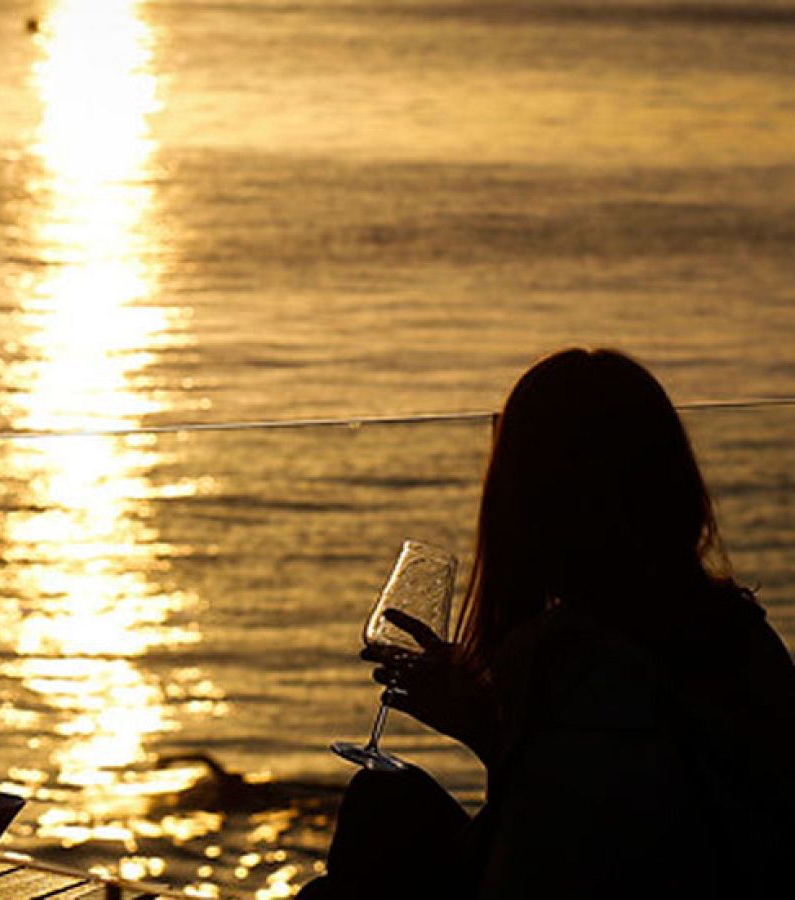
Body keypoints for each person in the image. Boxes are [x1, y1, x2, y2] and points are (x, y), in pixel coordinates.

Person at [301, 348, 795, 899]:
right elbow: (612, 803)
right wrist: (487, 724)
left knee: (376, 818)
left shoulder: (567, 661)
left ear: (527, 501)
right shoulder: (743, 635)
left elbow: (550, 854)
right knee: (391, 805)